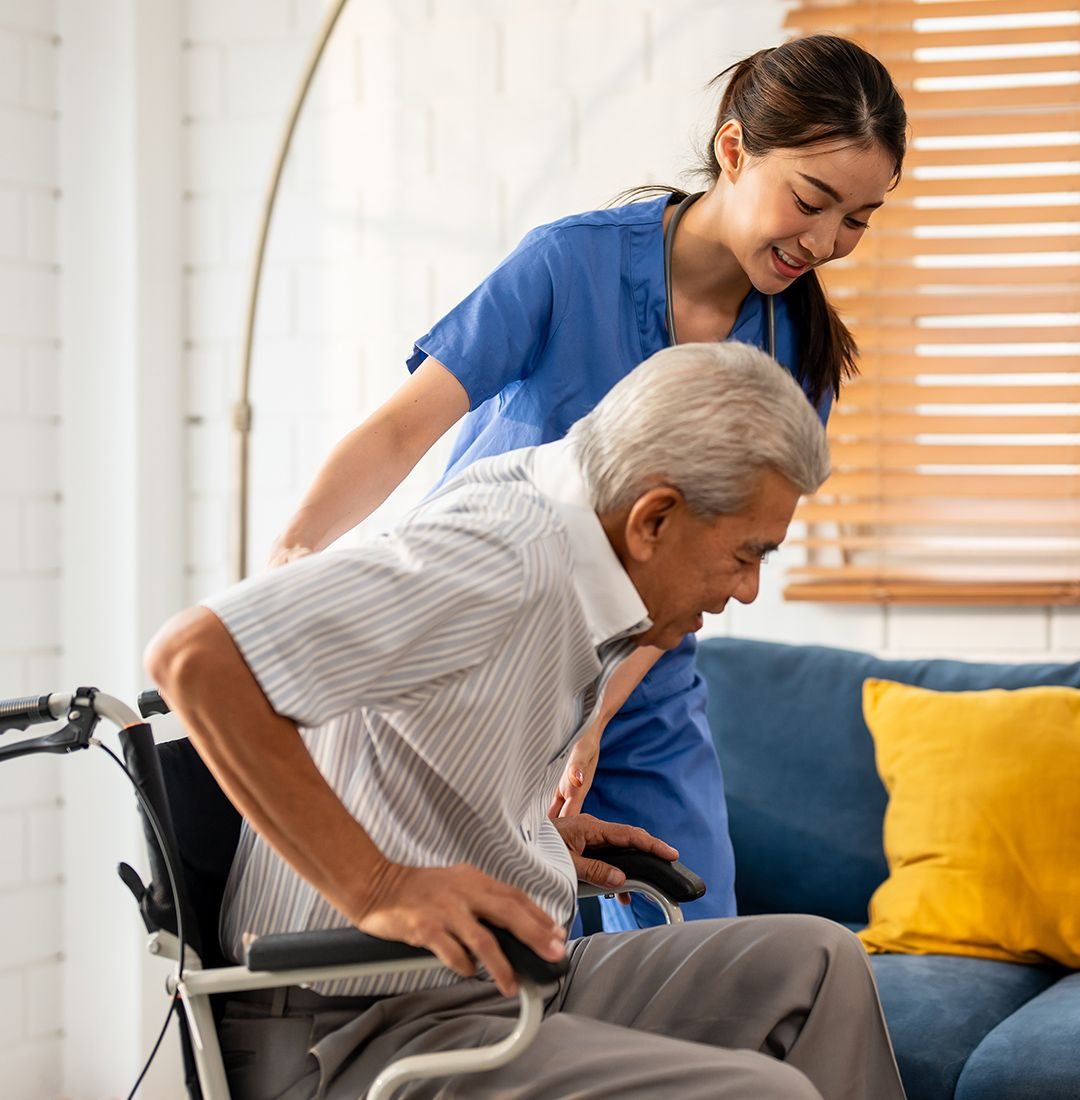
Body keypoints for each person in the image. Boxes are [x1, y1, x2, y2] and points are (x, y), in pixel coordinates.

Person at [265, 33, 908, 930]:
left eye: (858, 221)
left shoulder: (799, 354)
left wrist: (597, 716)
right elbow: (403, 428)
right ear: (733, 150)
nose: (828, 241)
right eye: (812, 200)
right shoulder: (569, 265)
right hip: (488, 664)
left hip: (644, 679)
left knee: (698, 949)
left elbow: (714, 565)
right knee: (512, 955)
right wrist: (293, 558)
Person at [146, 344, 905, 1100]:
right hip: (350, 1031)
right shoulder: (503, 555)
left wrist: (521, 841)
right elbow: (194, 657)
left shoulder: (580, 507)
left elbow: (418, 735)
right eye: (747, 554)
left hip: (501, 985)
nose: (747, 589)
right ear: (655, 518)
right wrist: (375, 883)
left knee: (819, 961)